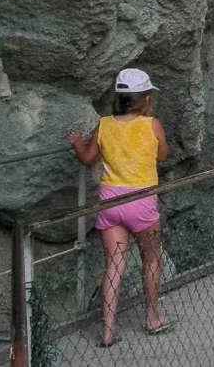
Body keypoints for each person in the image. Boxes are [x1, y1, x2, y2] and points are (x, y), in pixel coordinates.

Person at [66, 69, 170, 348]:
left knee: (114, 264)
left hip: (110, 201)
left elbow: (88, 159)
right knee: (152, 259)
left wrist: (77, 143)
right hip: (142, 201)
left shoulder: (104, 125)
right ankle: (152, 317)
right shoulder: (152, 125)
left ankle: (109, 330)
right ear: (145, 99)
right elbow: (163, 155)